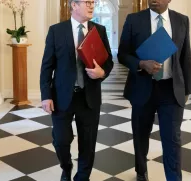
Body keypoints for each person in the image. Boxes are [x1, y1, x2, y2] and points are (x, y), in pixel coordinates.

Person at [118, 0, 191, 180]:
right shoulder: (134, 20)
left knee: (172, 139)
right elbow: (122, 54)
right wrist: (141, 64)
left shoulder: (182, 20)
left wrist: (187, 89)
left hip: (171, 89)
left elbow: (185, 56)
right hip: (143, 87)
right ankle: (141, 172)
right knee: (140, 136)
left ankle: (174, 177)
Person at [40, 0, 114, 180]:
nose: (91, 5)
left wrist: (102, 72)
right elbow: (47, 67)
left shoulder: (99, 30)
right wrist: (46, 96)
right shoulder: (56, 31)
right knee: (61, 141)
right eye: (87, 2)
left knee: (88, 143)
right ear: (74, 5)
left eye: (93, 2)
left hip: (89, 97)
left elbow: (108, 61)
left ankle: (82, 177)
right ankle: (66, 167)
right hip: (62, 97)